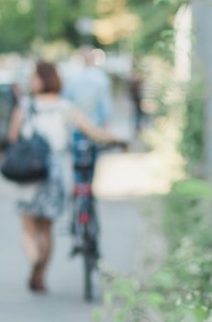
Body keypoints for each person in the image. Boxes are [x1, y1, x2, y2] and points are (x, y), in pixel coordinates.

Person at [7, 60, 124, 293]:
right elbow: (93, 131)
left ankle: (33, 261)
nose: (30, 81)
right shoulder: (65, 107)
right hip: (56, 170)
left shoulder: (26, 105)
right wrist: (116, 140)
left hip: (30, 171)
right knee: (46, 227)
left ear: (42, 80)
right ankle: (41, 273)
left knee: (28, 226)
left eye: (34, 77)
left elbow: (12, 136)